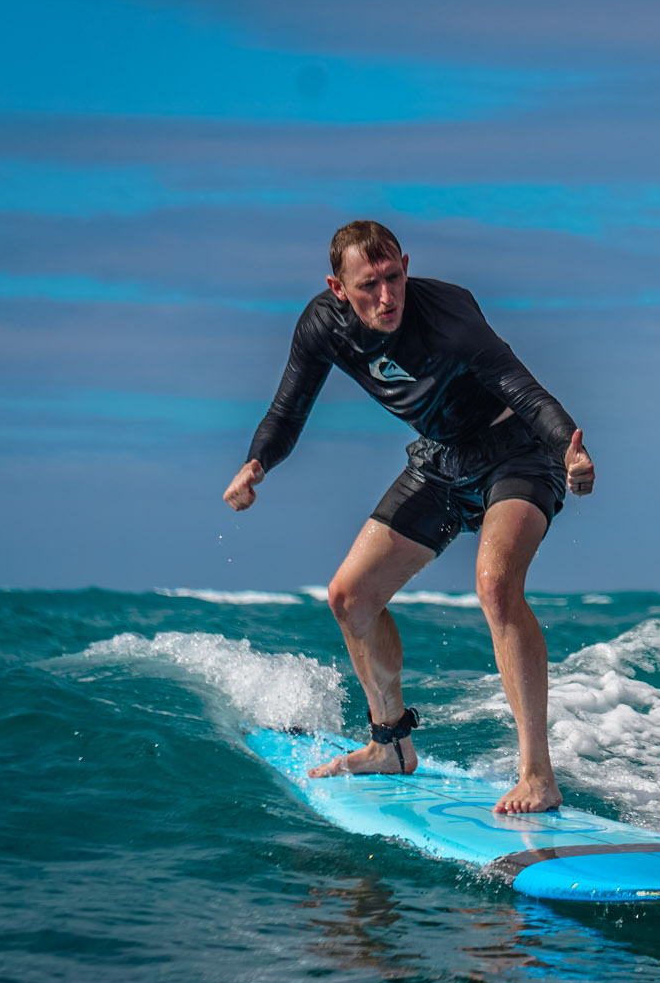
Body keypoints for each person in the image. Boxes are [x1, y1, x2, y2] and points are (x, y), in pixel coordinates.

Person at [223, 221, 593, 814]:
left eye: (395, 277)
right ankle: (390, 742)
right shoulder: (323, 325)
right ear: (337, 288)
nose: (388, 297)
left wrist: (568, 448)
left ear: (406, 266)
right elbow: (288, 409)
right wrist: (256, 463)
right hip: (441, 461)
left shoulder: (449, 314)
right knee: (350, 596)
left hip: (517, 453)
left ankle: (537, 777)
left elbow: (523, 389)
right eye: (370, 284)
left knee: (496, 586)